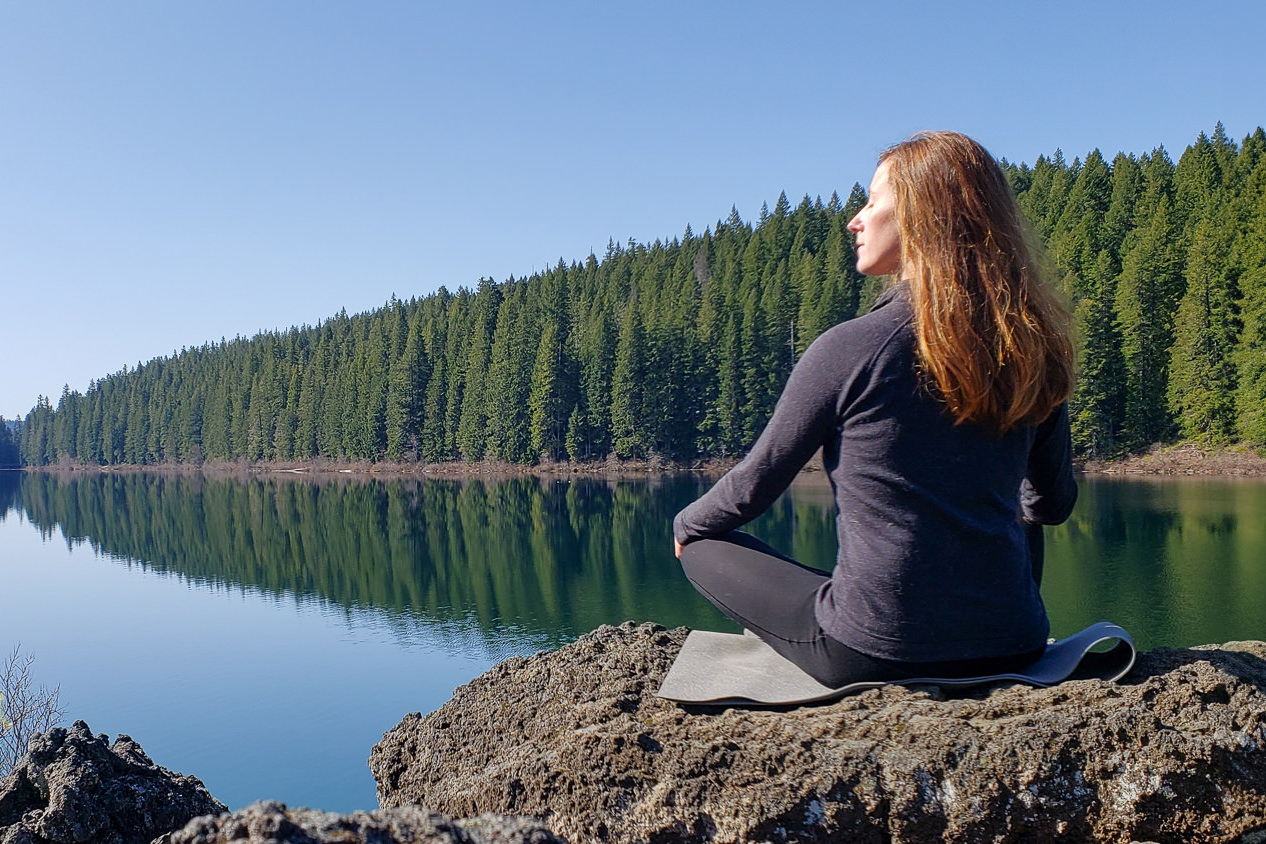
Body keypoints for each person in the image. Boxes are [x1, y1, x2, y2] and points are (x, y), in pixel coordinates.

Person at [673, 130, 1077, 688]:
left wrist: (684, 522)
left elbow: (753, 487)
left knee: (702, 545)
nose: (854, 221)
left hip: (874, 651)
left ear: (919, 216)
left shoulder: (852, 347)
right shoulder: (1030, 346)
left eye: (870, 202)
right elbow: (1049, 505)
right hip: (1017, 645)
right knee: (1016, 520)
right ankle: (983, 624)